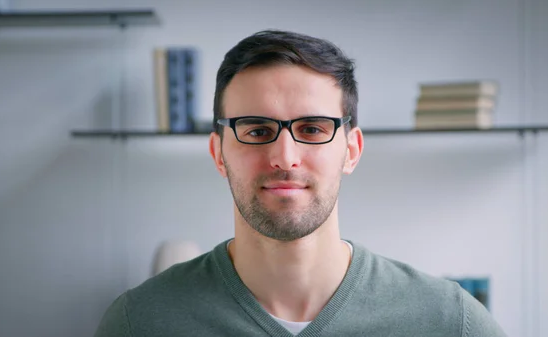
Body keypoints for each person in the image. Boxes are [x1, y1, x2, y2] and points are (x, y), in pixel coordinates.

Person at [94, 30, 507, 337]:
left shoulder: (451, 322)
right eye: (256, 130)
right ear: (218, 152)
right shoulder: (139, 322)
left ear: (351, 150)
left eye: (312, 128)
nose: (284, 156)